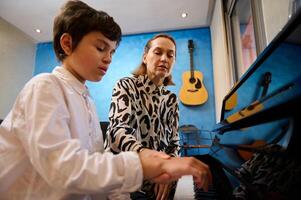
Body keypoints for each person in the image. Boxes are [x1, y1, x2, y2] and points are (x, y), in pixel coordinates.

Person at [0, 1, 211, 200]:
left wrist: (166, 166)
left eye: (112, 52)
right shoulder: (44, 86)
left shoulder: (86, 100)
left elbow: (93, 167)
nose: (109, 58)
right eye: (101, 48)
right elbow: (64, 171)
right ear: (67, 43)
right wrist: (150, 163)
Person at [105, 34, 208, 199]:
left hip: (158, 180)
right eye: (158, 52)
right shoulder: (126, 85)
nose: (164, 59)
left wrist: (169, 172)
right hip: (126, 180)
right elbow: (117, 132)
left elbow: (174, 143)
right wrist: (157, 163)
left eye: (170, 55)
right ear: (145, 57)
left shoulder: (172, 100)